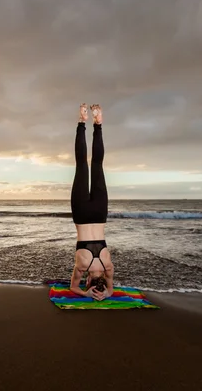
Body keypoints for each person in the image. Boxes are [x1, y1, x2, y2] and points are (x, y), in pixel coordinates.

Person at [69, 103, 114, 301]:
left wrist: (106, 293)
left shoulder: (109, 267)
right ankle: (81, 122)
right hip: (81, 215)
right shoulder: (81, 267)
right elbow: (73, 288)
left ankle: (98, 124)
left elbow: (110, 291)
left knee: (97, 165)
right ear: (88, 281)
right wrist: (85, 292)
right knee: (81, 166)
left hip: (99, 213)